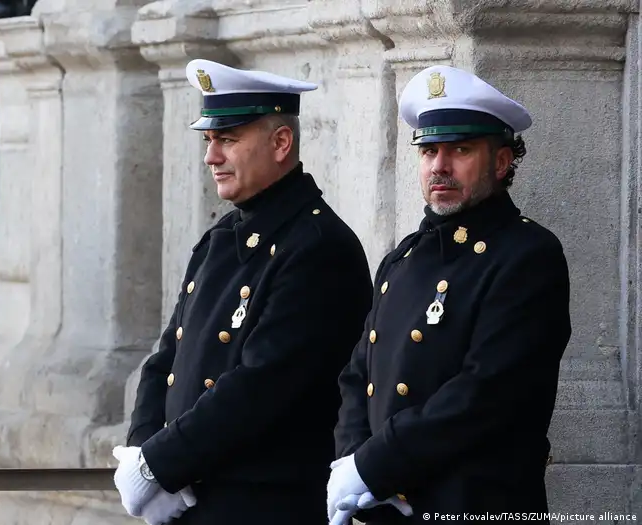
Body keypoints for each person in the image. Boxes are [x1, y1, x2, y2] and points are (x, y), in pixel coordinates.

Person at [111, 58, 374, 524]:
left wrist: (158, 467)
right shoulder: (222, 236)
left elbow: (261, 385)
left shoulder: (318, 247)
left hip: (262, 507)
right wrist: (141, 453)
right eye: (209, 141)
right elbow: (165, 359)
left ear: (281, 142)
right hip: (193, 500)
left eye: (228, 140)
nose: (211, 157)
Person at [326, 65, 572, 525]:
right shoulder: (403, 258)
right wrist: (353, 462)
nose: (439, 165)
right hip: (387, 505)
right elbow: (358, 376)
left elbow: (486, 393)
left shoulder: (527, 255)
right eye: (429, 150)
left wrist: (374, 465)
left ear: (502, 162)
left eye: (460, 150)